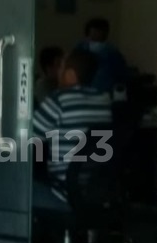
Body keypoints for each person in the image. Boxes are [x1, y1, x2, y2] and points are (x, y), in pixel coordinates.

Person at [33, 49, 113, 204]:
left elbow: (24, 138)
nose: (58, 72)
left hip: (62, 193)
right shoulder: (104, 100)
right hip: (93, 193)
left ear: (70, 75)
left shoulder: (59, 100)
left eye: (61, 68)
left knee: (12, 190)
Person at [76, 17, 127, 94]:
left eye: (99, 31)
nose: (96, 34)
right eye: (95, 31)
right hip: (81, 89)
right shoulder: (81, 47)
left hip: (103, 90)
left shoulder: (111, 51)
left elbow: (121, 73)